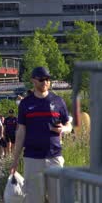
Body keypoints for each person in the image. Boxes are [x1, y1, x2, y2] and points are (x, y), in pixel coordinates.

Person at [10, 67, 72, 203]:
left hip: (55, 158)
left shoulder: (58, 101)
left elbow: (69, 125)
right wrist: (15, 160)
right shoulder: (25, 103)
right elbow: (21, 132)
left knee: (58, 199)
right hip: (32, 159)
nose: (45, 82)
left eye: (48, 79)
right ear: (33, 81)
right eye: (42, 79)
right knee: (34, 199)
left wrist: (63, 129)